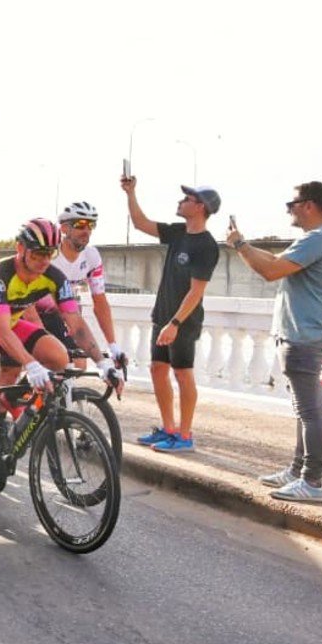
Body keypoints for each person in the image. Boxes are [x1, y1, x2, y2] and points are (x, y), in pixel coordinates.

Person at [0, 218, 116, 506]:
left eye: (49, 254)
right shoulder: (0, 274)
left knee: (59, 357)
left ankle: (20, 404)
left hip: (12, 325)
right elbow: (0, 331)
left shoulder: (54, 277)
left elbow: (76, 325)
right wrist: (30, 364)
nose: (43, 261)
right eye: (37, 254)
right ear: (20, 248)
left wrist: (103, 361)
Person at [227, 182, 322, 502]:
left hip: (306, 338)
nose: (288, 209)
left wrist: (240, 245)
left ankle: (312, 481)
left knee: (309, 412)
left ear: (309, 205)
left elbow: (271, 270)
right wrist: (247, 246)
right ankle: (297, 471)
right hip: (308, 336)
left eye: (291, 204)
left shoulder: (318, 238)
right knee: (303, 410)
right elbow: (276, 260)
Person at [122, 177, 221, 453]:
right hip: (162, 315)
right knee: (157, 370)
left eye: (187, 199)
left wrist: (175, 323)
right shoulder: (178, 233)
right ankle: (168, 429)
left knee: (182, 374)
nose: (180, 201)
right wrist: (131, 193)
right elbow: (141, 223)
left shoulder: (207, 245)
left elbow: (195, 292)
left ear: (200, 207)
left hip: (183, 321)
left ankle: (185, 436)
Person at [45, 201, 127, 368]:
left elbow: (100, 302)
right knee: (64, 364)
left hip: (64, 315)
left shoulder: (92, 256)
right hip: (36, 312)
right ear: (64, 228)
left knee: (78, 364)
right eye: (81, 225)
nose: (87, 231)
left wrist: (113, 346)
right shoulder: (50, 255)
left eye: (91, 225)